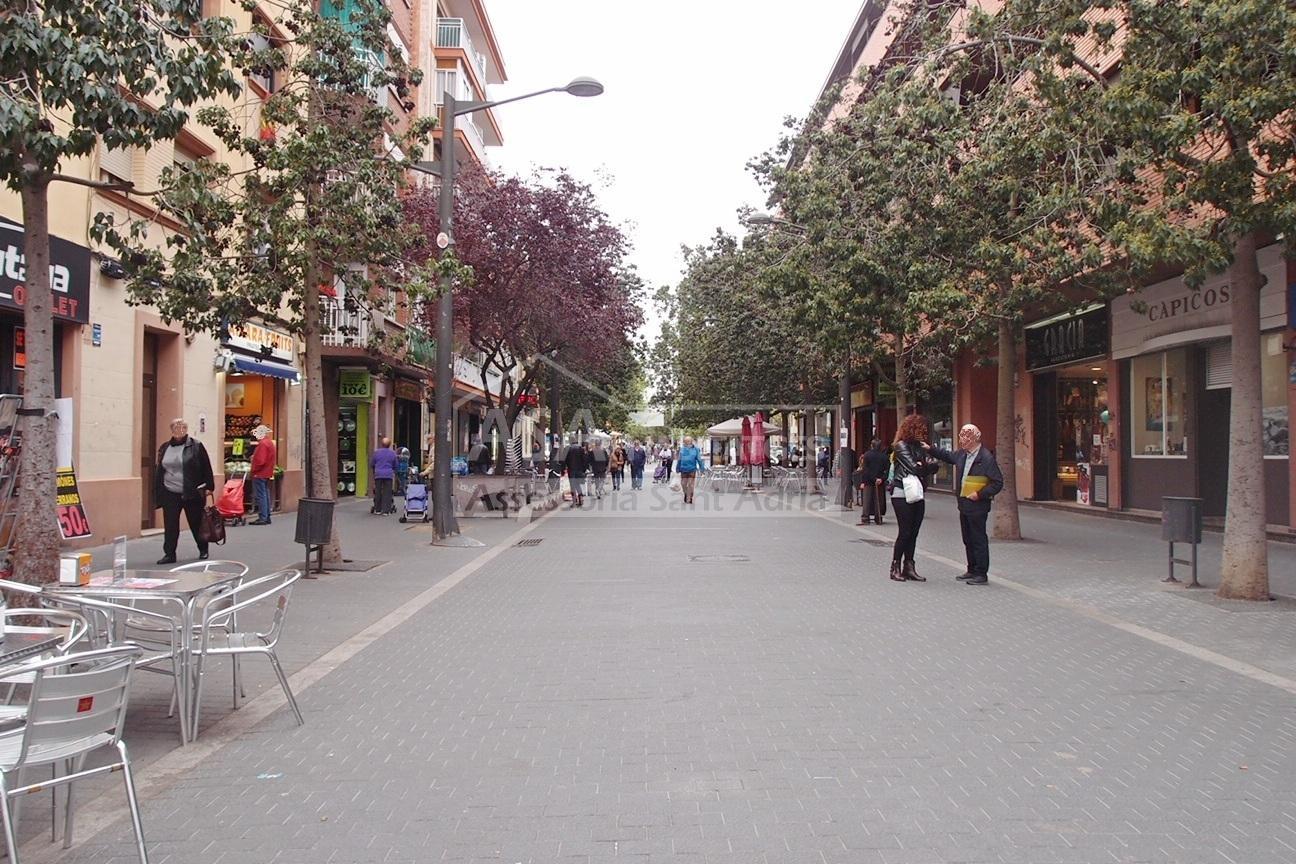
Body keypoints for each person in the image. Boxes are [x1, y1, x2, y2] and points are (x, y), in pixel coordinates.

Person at [925, 424, 1004, 585]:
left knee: (978, 539)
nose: (962, 439)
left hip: (977, 505)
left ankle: (981, 573)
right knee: (967, 538)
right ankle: (971, 568)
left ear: (974, 438)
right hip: (964, 503)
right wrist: (930, 449)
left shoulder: (986, 458)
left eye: (965, 436)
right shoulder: (962, 454)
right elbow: (947, 456)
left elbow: (997, 482)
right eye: (961, 436)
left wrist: (980, 494)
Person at [154, 418, 215, 564]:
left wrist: (208, 486)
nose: (179, 429)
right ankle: (169, 554)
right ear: (172, 429)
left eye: (182, 427)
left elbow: (206, 466)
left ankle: (203, 549)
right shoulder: (165, 447)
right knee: (170, 524)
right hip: (170, 491)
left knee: (196, 522)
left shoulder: (196, 446)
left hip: (191, 491)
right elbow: (160, 469)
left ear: (186, 429)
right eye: (175, 427)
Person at [888, 414, 940, 583]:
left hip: (917, 492)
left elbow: (934, 466)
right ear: (912, 428)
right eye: (920, 428)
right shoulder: (900, 446)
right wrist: (924, 465)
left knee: (914, 532)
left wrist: (923, 465)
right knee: (905, 531)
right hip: (902, 493)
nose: (923, 432)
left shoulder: (920, 447)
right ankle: (895, 566)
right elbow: (914, 468)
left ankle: (909, 566)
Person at [248, 424, 277, 526]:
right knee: (265, 493)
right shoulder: (269, 443)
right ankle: (266, 515)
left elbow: (260, 461)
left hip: (260, 473)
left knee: (261, 495)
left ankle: (263, 517)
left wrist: (254, 468)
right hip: (266, 472)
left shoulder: (263, 444)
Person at [858, 438, 888, 526]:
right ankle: (878, 517)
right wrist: (881, 479)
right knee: (879, 500)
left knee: (867, 500)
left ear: (872, 445)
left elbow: (865, 470)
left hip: (868, 480)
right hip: (880, 482)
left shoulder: (867, 455)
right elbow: (886, 470)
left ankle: (865, 518)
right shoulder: (884, 457)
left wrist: (864, 481)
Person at [371, 437, 398, 515]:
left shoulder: (376, 453)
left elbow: (372, 463)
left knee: (378, 491)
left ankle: (377, 509)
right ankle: (386, 510)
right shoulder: (392, 453)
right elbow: (395, 465)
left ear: (381, 444)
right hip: (388, 474)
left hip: (378, 474)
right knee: (387, 492)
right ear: (389, 445)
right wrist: (393, 471)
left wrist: (375, 471)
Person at [563, 437, 588, 507]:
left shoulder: (567, 449)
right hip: (579, 470)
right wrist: (584, 469)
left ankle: (574, 501)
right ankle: (581, 498)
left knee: (572, 485)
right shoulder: (581, 449)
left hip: (571, 469)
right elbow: (585, 459)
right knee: (577, 484)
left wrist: (563, 469)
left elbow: (563, 460)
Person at [677, 435, 702, 504]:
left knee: (690, 484)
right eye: (686, 441)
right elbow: (679, 459)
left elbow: (699, 459)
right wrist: (677, 468)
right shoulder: (682, 449)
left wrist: (702, 468)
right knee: (683, 484)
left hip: (692, 469)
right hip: (683, 469)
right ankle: (686, 494)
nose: (687, 442)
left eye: (689, 441)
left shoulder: (696, 449)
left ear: (691, 441)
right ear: (684, 442)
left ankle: (689, 497)